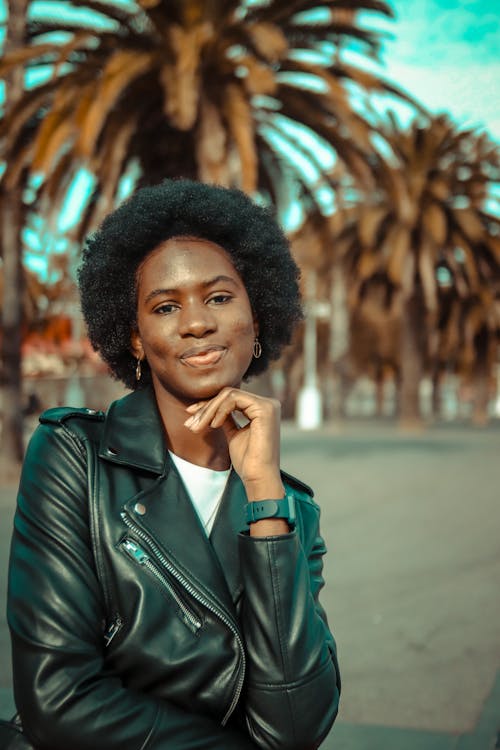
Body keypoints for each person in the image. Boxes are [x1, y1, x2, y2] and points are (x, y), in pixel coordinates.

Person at [7, 179, 341, 749]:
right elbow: (58, 697)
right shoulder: (75, 460)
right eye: (166, 306)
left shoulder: (292, 513)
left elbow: (294, 727)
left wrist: (263, 494)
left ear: (256, 318)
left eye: (218, 297)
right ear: (135, 337)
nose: (196, 323)